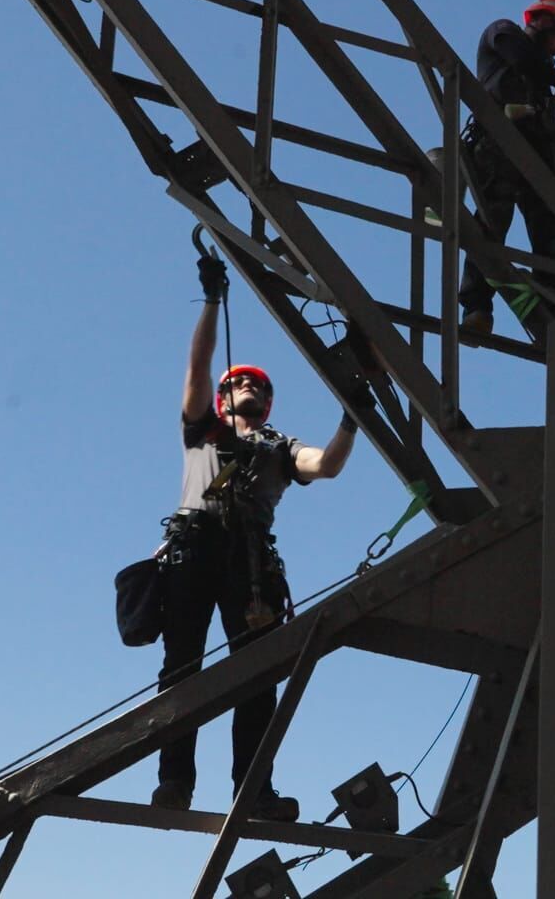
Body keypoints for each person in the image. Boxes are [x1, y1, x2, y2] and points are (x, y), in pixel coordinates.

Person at [150, 251, 359, 818]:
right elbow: (198, 368)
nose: (246, 387)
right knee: (182, 669)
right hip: (195, 554)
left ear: (267, 404)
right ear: (224, 399)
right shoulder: (202, 431)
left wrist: (351, 416)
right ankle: (175, 784)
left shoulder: (279, 448)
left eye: (256, 386)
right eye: (238, 384)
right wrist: (213, 301)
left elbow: (327, 465)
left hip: (250, 567)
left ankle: (254, 790)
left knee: (258, 678)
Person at [456, 0, 555, 336]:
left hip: (536, 168)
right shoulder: (502, 35)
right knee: (491, 223)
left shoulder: (543, 91)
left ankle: (554, 315)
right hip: (497, 152)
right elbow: (524, 58)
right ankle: (477, 308)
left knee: (553, 238)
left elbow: (551, 144)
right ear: (545, 21)